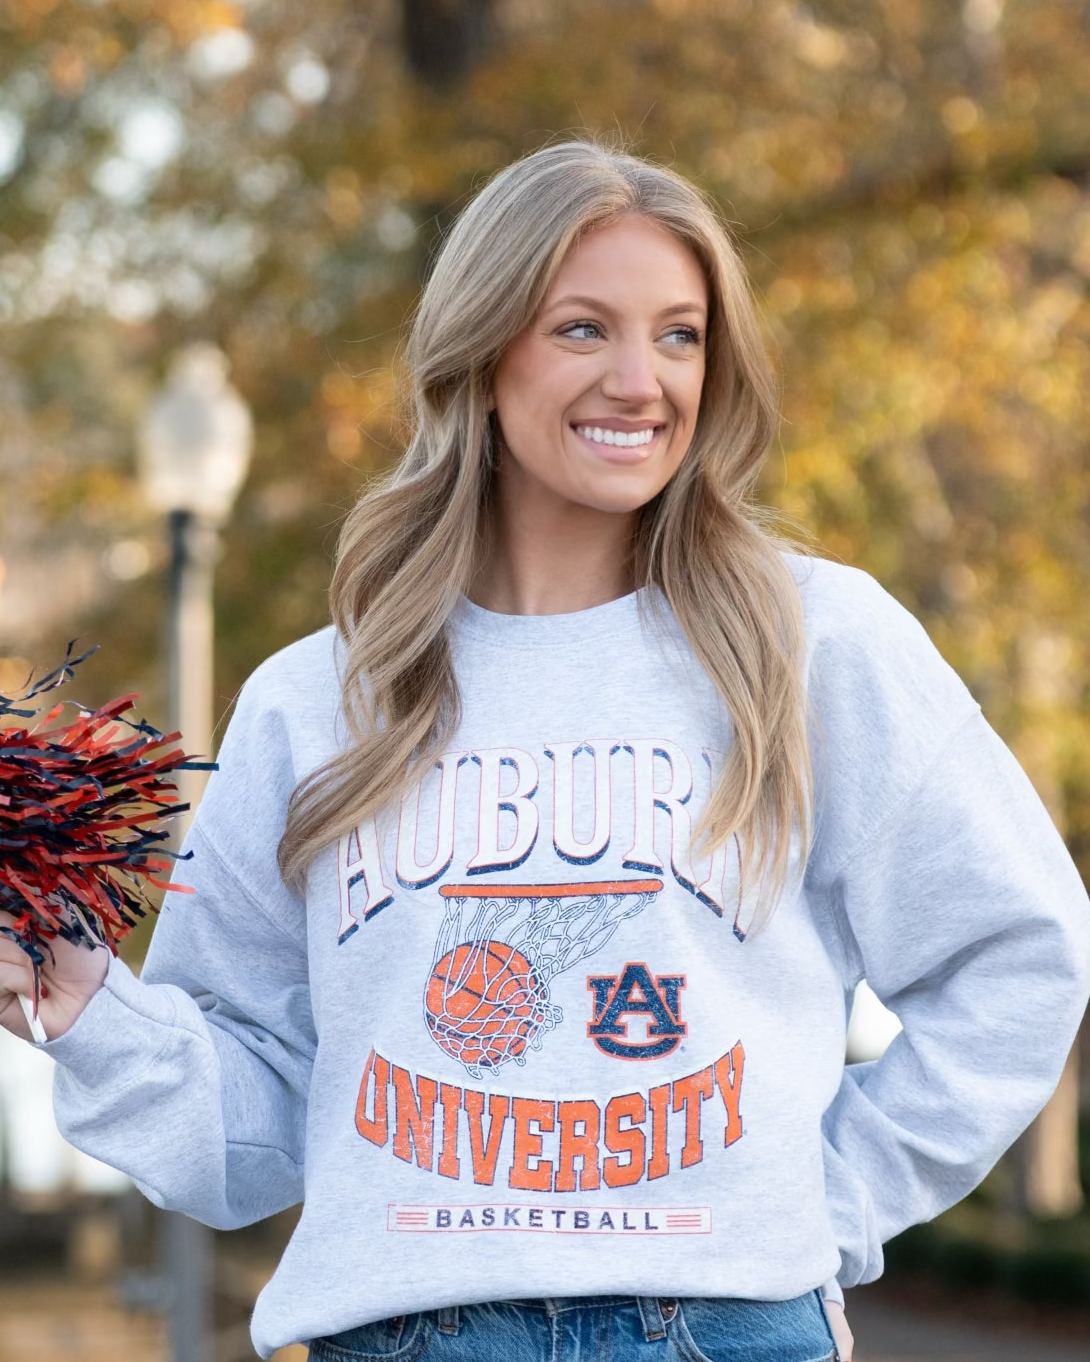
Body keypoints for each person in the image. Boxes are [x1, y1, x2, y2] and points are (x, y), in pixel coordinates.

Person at [1, 141, 1088, 1362]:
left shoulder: (814, 644)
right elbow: (251, 1141)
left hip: (724, 1333)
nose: (641, 380)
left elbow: (1020, 958)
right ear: (483, 353)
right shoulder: (319, 697)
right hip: (404, 1336)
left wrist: (822, 1208)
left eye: (680, 336)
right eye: (583, 329)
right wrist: (89, 1011)